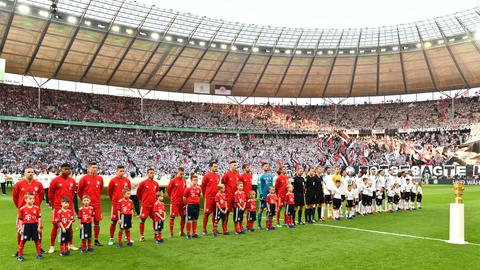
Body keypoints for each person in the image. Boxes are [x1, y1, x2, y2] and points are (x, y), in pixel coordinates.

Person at [12, 167, 45, 257]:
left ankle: (39, 247)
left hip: (35, 211)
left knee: (39, 230)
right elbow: (15, 197)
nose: (30, 173)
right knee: (20, 231)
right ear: (24, 173)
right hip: (23, 212)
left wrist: (36, 206)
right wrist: (20, 207)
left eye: (32, 172)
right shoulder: (19, 184)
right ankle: (19, 249)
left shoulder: (38, 184)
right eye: (28, 172)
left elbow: (41, 196)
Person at [48, 163, 78, 253]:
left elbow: (73, 193)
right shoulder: (55, 180)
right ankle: (52, 246)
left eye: (69, 169)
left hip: (69, 207)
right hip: (58, 207)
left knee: (70, 226)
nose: (67, 171)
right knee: (55, 226)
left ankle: (70, 244)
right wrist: (54, 205)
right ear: (61, 170)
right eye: (65, 169)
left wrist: (69, 204)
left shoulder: (72, 181)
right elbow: (50, 194)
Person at [77, 162, 104, 246]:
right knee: (85, 222)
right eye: (93, 167)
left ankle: (96, 239)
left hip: (97, 204)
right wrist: (85, 201)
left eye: (96, 167)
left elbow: (101, 189)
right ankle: (85, 240)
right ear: (88, 168)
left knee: (97, 222)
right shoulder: (84, 178)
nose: (95, 169)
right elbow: (79, 191)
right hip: (87, 205)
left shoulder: (100, 178)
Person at [107, 165, 131, 245]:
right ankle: (111, 238)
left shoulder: (127, 180)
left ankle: (126, 238)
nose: (122, 172)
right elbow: (110, 192)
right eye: (120, 171)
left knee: (126, 222)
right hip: (116, 204)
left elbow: (128, 191)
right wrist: (114, 200)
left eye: (123, 171)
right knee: (114, 221)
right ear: (116, 171)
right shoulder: (113, 181)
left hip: (125, 206)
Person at [16, 192, 43, 262]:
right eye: (30, 199)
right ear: (25, 199)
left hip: (34, 226)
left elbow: (39, 218)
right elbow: (20, 220)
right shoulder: (22, 209)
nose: (32, 200)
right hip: (26, 226)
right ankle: (20, 255)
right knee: (23, 241)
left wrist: (39, 226)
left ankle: (39, 254)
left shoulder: (37, 208)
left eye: (33, 198)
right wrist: (21, 228)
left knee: (37, 240)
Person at [137, 168, 160, 241]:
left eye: (153, 173)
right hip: (145, 205)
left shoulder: (156, 184)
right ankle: (142, 236)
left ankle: (156, 235)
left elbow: (157, 193)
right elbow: (138, 193)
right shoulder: (143, 183)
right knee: (142, 220)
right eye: (150, 173)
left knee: (155, 220)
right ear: (147, 174)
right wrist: (143, 200)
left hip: (153, 206)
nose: (152, 174)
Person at [166, 167, 187, 237]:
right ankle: (171, 233)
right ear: (177, 172)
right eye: (181, 174)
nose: (182, 175)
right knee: (172, 217)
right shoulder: (173, 181)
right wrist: (172, 197)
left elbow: (185, 190)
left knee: (183, 216)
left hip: (182, 202)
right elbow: (168, 190)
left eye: (183, 174)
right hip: (174, 202)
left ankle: (181, 231)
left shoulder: (184, 181)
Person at [201, 162, 220, 236]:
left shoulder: (218, 176)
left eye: (216, 166)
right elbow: (203, 186)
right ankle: (204, 229)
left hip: (216, 198)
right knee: (207, 213)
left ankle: (214, 229)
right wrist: (205, 194)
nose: (216, 168)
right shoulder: (207, 176)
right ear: (211, 167)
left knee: (215, 214)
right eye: (215, 166)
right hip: (209, 197)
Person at [221, 161, 240, 230]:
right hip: (228, 196)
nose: (236, 166)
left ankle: (236, 227)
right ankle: (224, 227)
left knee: (236, 211)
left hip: (235, 196)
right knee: (227, 212)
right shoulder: (226, 174)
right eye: (234, 165)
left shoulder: (237, 174)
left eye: (236, 165)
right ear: (230, 166)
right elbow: (222, 183)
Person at [183, 174, 202, 240]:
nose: (195, 181)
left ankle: (194, 233)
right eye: (194, 180)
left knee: (195, 219)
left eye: (196, 180)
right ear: (191, 181)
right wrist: (187, 204)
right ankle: (188, 233)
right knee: (189, 220)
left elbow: (199, 196)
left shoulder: (199, 188)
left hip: (197, 205)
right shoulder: (188, 189)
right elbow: (184, 198)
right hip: (190, 205)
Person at [257, 163, 273, 229]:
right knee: (261, 209)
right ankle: (259, 225)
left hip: (269, 195)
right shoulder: (261, 176)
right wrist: (261, 194)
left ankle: (268, 225)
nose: (267, 167)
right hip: (263, 195)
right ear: (262, 167)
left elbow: (271, 186)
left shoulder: (271, 176)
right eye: (265, 166)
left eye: (268, 166)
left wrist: (272, 194)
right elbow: (259, 186)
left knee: (269, 210)